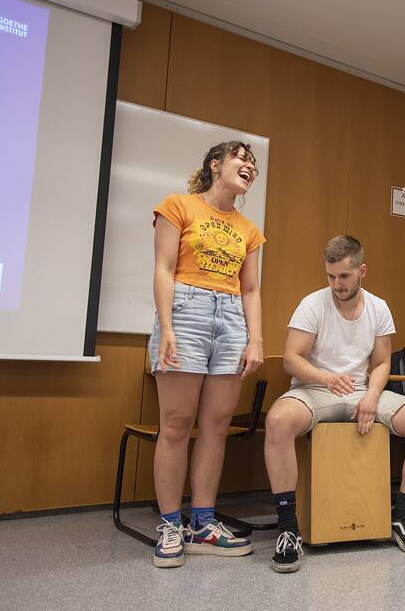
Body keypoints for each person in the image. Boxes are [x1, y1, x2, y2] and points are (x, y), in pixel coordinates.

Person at [264, 235, 405, 573]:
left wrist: (373, 396)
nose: (336, 284)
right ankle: (288, 528)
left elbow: (381, 363)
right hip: (315, 389)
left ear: (362, 270)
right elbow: (291, 359)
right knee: (277, 421)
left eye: (344, 276)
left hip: (361, 390)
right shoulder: (313, 304)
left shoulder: (379, 307)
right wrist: (325, 377)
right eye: (330, 276)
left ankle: (402, 517)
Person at [148, 141, 265, 567]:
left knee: (216, 425)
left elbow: (251, 289)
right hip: (186, 311)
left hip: (231, 319)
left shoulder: (250, 231)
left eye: (254, 163)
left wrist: (256, 339)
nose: (249, 166)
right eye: (241, 158)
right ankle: (170, 524)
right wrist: (166, 326)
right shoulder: (178, 206)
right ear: (216, 165)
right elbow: (163, 268)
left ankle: (203, 523)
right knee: (176, 424)